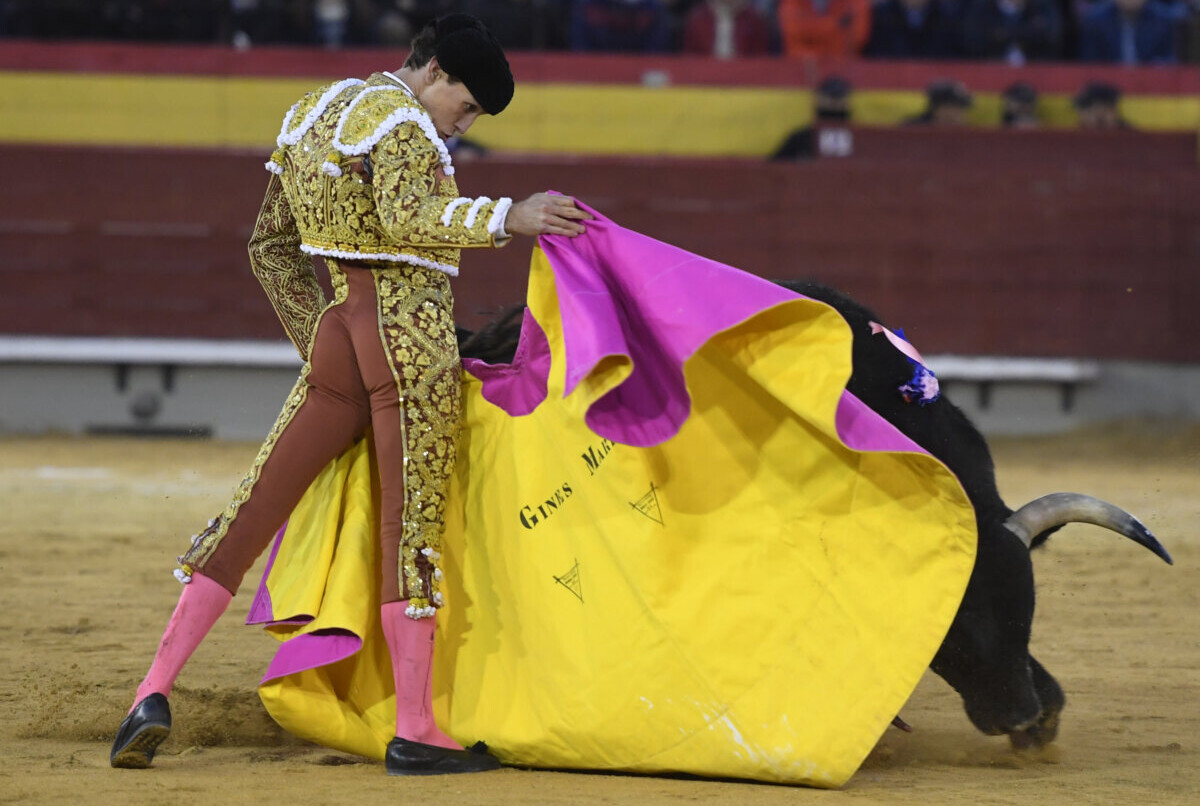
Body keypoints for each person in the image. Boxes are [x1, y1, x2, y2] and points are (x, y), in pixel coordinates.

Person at [108, 13, 590, 776]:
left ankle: (151, 691)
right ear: (435, 71)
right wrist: (511, 216)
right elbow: (407, 216)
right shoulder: (404, 123)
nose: (462, 127)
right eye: (465, 106)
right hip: (410, 338)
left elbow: (269, 248)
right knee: (411, 528)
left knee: (251, 509)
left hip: (341, 331)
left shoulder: (313, 112)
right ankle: (416, 728)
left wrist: (327, 348)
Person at [1077, 0, 1190, 64]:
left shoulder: (1163, 20)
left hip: (1150, 89)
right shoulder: (1095, 20)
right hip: (1106, 90)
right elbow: (1090, 65)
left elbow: (1169, 62)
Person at [770, 75, 854, 159]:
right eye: (831, 97)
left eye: (840, 97)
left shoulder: (857, 138)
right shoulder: (802, 138)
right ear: (819, 98)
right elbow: (776, 164)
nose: (834, 102)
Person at [776, 0, 873, 58]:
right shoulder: (792, 2)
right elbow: (794, 30)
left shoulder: (855, 3)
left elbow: (858, 37)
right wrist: (836, 24)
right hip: (799, 71)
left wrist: (813, 33)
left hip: (844, 72)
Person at [905, 79, 974, 125]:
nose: (957, 115)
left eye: (961, 108)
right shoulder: (912, 130)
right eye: (950, 107)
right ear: (935, 108)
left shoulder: (967, 134)